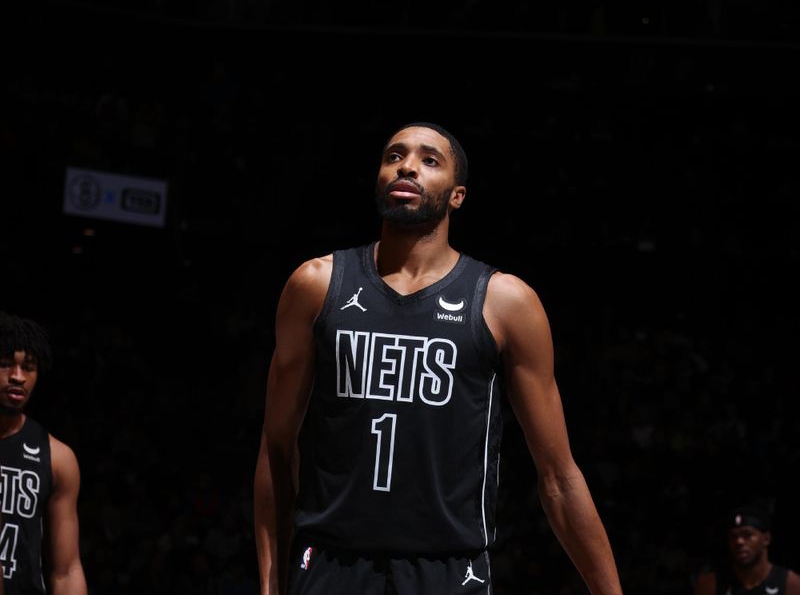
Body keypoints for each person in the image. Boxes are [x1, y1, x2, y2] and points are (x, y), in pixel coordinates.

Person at [253, 121, 623, 594]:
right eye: (394, 156)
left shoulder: (503, 301)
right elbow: (277, 448)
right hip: (329, 564)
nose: (407, 166)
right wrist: (269, 584)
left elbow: (558, 476)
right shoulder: (316, 284)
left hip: (448, 571)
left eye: (430, 160)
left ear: (457, 196)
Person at [0, 311, 88, 595]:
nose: (17, 377)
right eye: (4, 365)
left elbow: (66, 569)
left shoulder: (58, 458)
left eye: (29, 367)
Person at [693, 505, 800, 595]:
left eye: (747, 535)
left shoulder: (789, 583)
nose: (739, 542)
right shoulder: (710, 584)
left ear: (766, 539)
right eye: (733, 536)